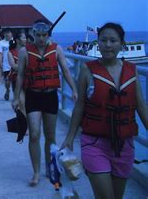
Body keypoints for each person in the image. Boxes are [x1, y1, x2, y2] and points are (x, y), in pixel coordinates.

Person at [61, 23, 147, 199]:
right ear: (97, 42)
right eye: (103, 40)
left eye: (113, 40)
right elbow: (80, 106)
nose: (108, 45)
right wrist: (69, 138)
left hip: (124, 146)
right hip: (94, 144)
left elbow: (141, 105)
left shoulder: (132, 71)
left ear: (121, 44)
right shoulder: (87, 70)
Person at [12, 20, 78, 187]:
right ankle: (36, 172)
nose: (41, 38)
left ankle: (50, 169)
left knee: (50, 137)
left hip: (50, 96)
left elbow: (65, 70)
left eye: (44, 35)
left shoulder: (57, 50)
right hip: (33, 96)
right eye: (38, 35)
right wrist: (16, 96)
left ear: (48, 35)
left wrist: (74, 89)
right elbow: (20, 75)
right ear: (33, 35)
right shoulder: (24, 52)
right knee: (34, 134)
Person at [8, 30, 27, 113]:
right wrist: (26, 66)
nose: (25, 40)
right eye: (23, 38)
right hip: (16, 78)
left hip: (28, 79)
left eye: (25, 38)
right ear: (18, 40)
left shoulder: (28, 51)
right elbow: (13, 66)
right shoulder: (10, 52)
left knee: (27, 103)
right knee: (21, 102)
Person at [0, 28, 13, 100]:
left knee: (15, 80)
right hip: (6, 64)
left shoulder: (14, 41)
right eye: (6, 33)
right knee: (7, 80)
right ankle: (7, 90)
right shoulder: (1, 42)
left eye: (8, 33)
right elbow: (0, 53)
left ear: (11, 34)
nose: (7, 34)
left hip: (14, 63)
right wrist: (0, 62)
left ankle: (15, 95)